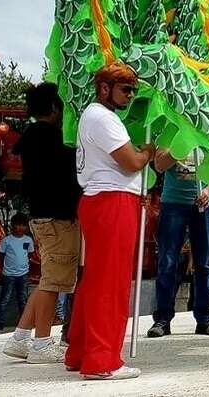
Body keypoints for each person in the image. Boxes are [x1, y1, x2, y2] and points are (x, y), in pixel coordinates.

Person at [64, 63, 155, 381]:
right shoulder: (103, 118)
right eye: (125, 89)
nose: (131, 95)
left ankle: (80, 352)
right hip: (111, 202)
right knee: (110, 283)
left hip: (104, 200)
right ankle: (102, 361)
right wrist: (146, 152)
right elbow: (131, 162)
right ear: (104, 88)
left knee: (95, 281)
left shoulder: (95, 116)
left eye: (133, 89)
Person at [2, 83, 82, 363]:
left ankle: (21, 337)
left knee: (48, 279)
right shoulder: (53, 139)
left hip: (41, 217)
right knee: (53, 283)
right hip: (58, 219)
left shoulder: (32, 137)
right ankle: (41, 345)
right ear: (54, 107)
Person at [147, 148, 209, 338]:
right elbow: (159, 165)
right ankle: (162, 318)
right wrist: (182, 144)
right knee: (168, 261)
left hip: (205, 203)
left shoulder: (208, 127)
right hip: (173, 201)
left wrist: (208, 189)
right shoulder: (171, 129)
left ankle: (205, 318)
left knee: (203, 262)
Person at [0, 213, 33, 331]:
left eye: (23, 225)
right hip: (8, 275)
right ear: (12, 226)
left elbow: (29, 254)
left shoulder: (28, 240)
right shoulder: (7, 240)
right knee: (4, 298)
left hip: (23, 274)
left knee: (23, 299)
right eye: (18, 225)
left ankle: (24, 324)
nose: (21, 228)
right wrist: (6, 267)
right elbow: (0, 254)